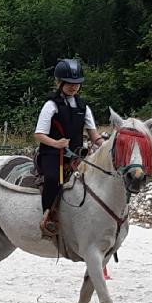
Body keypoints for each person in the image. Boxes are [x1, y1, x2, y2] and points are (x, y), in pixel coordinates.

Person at [34, 59, 104, 237]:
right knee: (52, 179)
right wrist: (56, 144)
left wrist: (107, 145)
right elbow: (39, 134)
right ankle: (48, 216)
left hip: (76, 156)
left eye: (77, 84)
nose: (74, 87)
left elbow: (94, 135)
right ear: (59, 82)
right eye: (70, 84)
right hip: (52, 154)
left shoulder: (84, 107)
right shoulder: (51, 105)